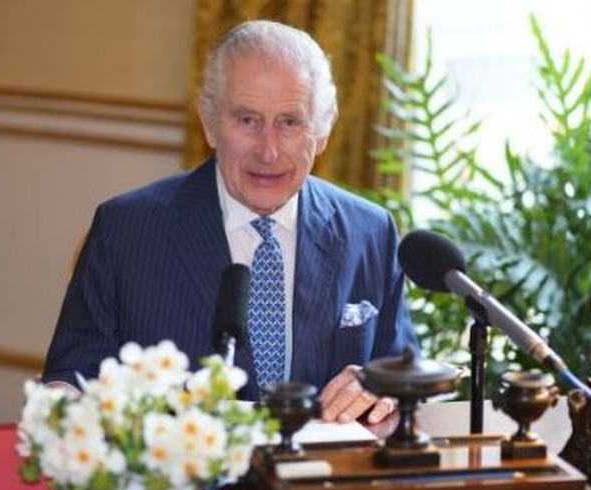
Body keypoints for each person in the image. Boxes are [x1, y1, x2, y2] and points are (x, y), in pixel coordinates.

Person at [42, 20, 418, 427]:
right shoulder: (126, 230)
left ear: (323, 131)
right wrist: (64, 404)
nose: (268, 151)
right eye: (247, 120)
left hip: (325, 467)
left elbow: (402, 370)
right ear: (209, 123)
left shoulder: (370, 232)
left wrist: (381, 385)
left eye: (290, 122)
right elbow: (72, 377)